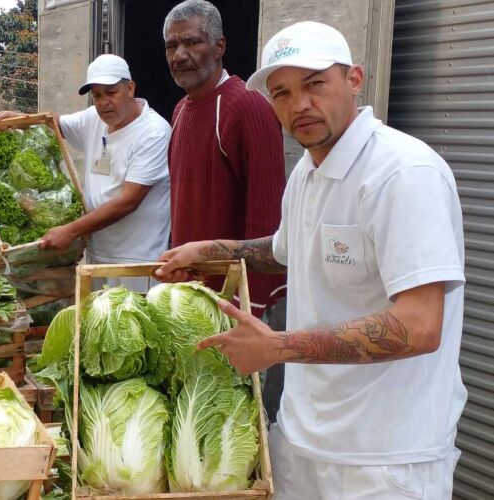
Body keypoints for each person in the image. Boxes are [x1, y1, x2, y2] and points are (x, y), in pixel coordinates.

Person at [157, 21, 466, 499]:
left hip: (383, 460)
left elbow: (421, 324)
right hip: (302, 442)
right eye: (281, 93)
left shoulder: (404, 174)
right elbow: (283, 252)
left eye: (315, 84)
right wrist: (209, 252)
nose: (298, 105)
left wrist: (280, 346)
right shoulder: (308, 171)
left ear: (355, 79)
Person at [0, 54, 171, 290]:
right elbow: (56, 123)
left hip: (138, 262)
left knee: (131, 324)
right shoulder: (94, 119)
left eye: (111, 92)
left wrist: (70, 230)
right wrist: (19, 118)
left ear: (130, 88)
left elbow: (128, 201)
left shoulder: (153, 132)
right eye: (96, 95)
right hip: (98, 255)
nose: (103, 102)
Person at [163, 0, 286, 318]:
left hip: (234, 302)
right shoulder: (180, 111)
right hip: (193, 295)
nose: (179, 55)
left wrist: (249, 307)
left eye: (191, 42)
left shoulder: (247, 105)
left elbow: (267, 214)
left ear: (219, 47)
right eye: (172, 45)